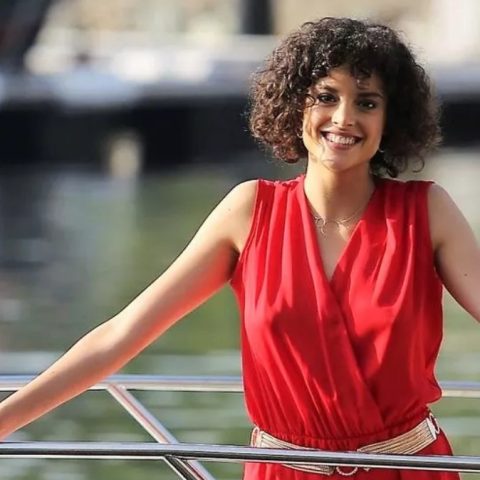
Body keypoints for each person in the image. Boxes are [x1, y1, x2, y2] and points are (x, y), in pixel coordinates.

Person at [0, 16, 478, 479]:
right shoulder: (250, 211)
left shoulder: (426, 212)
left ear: (391, 119)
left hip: (410, 470)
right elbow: (121, 336)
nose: (343, 118)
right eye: (325, 97)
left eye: (367, 103)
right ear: (295, 105)